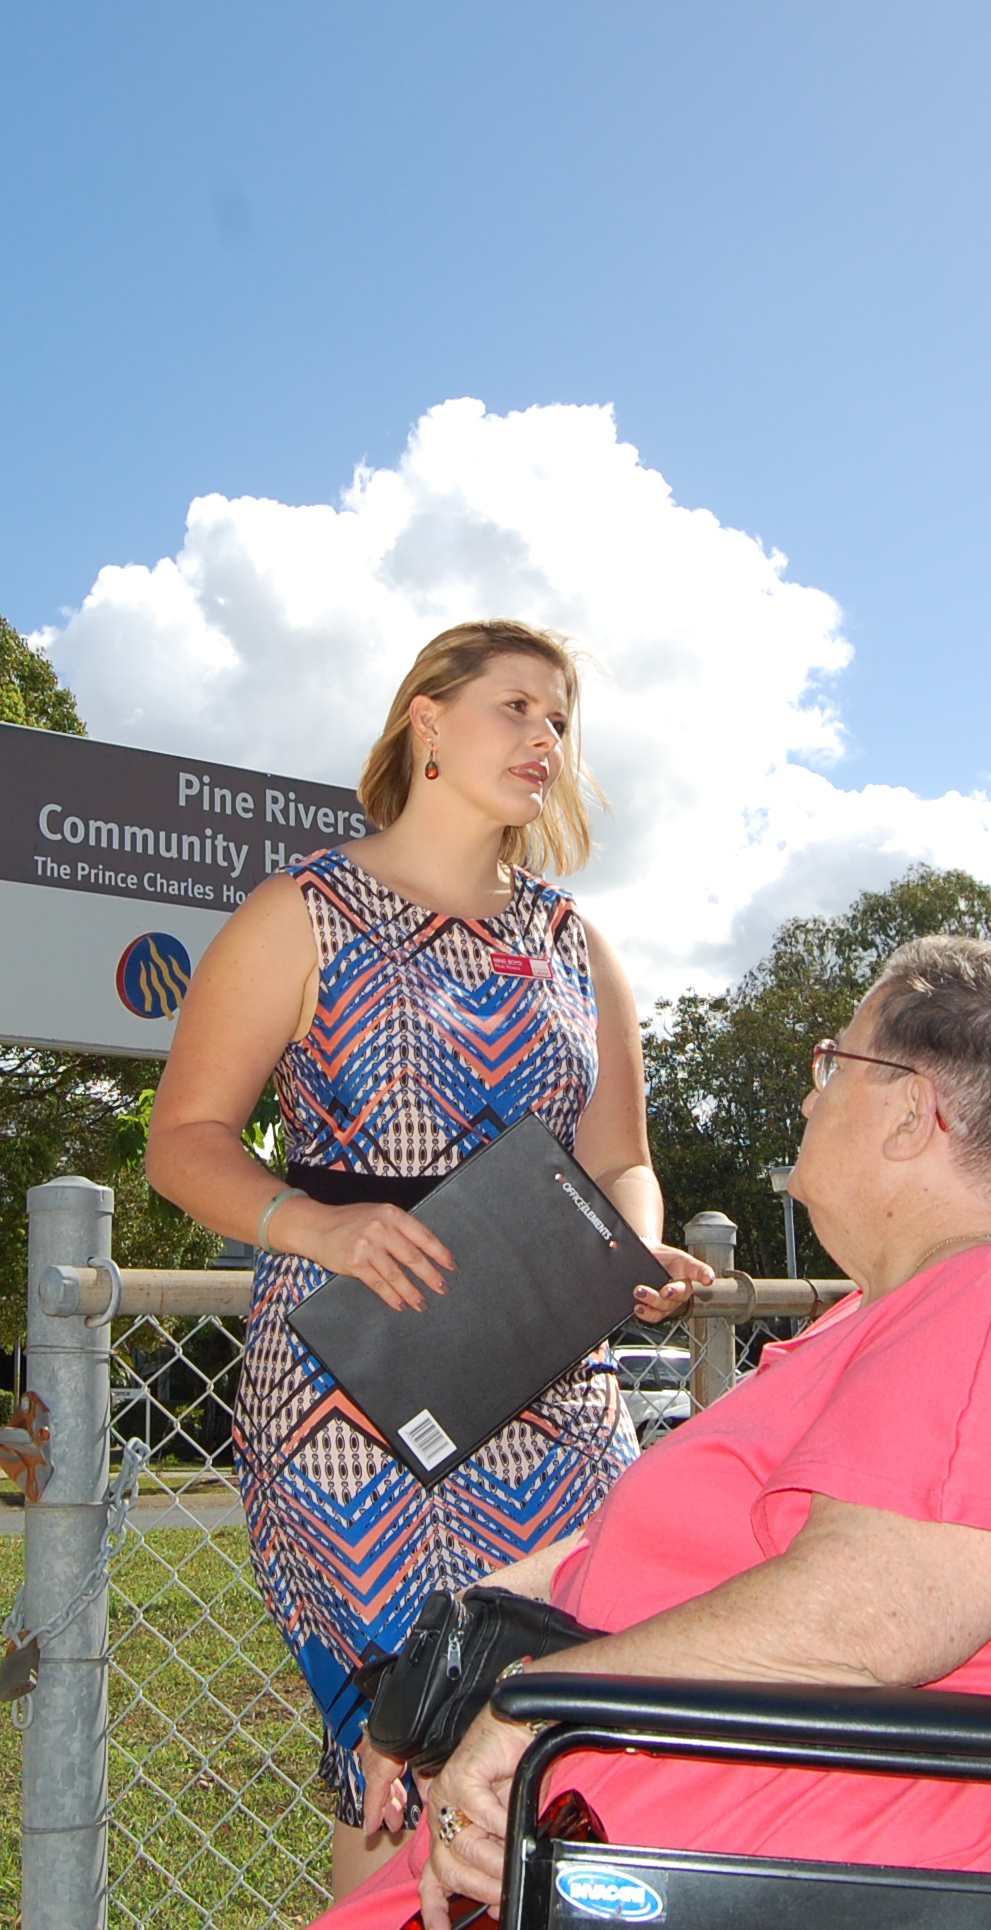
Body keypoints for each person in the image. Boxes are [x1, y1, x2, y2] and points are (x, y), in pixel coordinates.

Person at [296, 935, 991, 1930]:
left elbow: (875, 1613)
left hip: (743, 1853)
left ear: (907, 1114)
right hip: (664, 1819)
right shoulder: (910, 1308)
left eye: (831, 1061)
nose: (809, 1096)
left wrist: (537, 1701)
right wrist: (443, 1652)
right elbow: (675, 1550)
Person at [147, 619, 711, 1902]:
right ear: (427, 723)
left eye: (560, 720)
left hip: (547, 1383)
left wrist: (630, 1243)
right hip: (353, 1382)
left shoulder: (575, 939)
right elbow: (181, 1142)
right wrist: (317, 1222)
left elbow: (618, 1150)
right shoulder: (300, 912)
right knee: (401, 1745)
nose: (544, 740)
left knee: (567, 1727)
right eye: (515, 707)